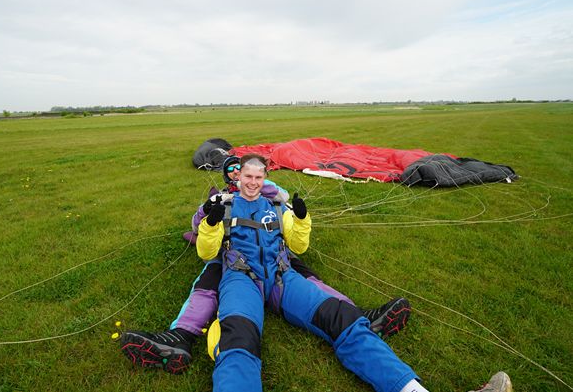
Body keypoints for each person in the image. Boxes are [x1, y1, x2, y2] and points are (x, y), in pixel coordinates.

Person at [189, 153, 512, 392]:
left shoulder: (275, 208)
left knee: (343, 317)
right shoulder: (225, 207)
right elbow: (206, 252)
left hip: (281, 277)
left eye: (258, 177)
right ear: (239, 178)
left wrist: (300, 219)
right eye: (247, 177)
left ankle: (410, 389)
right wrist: (212, 224)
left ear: (265, 178)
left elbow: (298, 246)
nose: (252, 183)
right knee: (239, 338)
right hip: (241, 278)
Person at [120, 155, 411, 374]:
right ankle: (180, 334)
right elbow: (199, 231)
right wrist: (208, 215)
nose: (248, 179)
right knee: (209, 281)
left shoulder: (269, 193)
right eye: (237, 172)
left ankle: (355, 316)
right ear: (233, 176)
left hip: (274, 253)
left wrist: (295, 214)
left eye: (253, 175)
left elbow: (284, 208)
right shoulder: (219, 198)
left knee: (307, 276)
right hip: (232, 257)